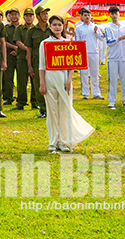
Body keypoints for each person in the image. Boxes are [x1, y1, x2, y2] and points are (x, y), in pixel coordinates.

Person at [39, 15, 96, 152]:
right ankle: (53, 141)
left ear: (63, 26)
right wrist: (42, 83)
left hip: (64, 80)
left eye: (59, 25)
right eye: (54, 25)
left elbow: (72, 64)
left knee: (65, 111)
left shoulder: (68, 42)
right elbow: (42, 66)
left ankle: (63, 141)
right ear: (50, 27)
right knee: (52, 112)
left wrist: (69, 80)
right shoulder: (45, 43)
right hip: (50, 79)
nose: (57, 27)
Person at [102, 6, 125, 108]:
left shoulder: (124, 28)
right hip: (112, 58)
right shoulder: (108, 28)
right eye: (112, 14)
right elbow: (109, 42)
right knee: (113, 79)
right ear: (110, 15)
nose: (114, 15)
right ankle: (112, 100)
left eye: (116, 13)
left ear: (119, 14)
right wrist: (120, 38)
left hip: (123, 57)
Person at [24, 7, 51, 118]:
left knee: (51, 85)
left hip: (52, 62)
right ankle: (43, 110)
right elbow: (29, 49)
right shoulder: (32, 31)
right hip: (37, 62)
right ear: (38, 16)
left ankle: (51, 109)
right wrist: (29, 65)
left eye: (47, 14)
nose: (46, 16)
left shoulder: (52, 29)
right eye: (43, 14)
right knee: (39, 86)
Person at [73, 8, 105, 100]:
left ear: (91, 16)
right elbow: (77, 41)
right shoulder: (78, 28)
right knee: (84, 73)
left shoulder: (95, 27)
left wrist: (96, 32)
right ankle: (85, 93)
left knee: (95, 73)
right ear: (81, 17)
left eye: (88, 15)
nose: (87, 17)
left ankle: (96, 93)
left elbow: (102, 38)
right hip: (83, 52)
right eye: (85, 15)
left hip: (94, 52)